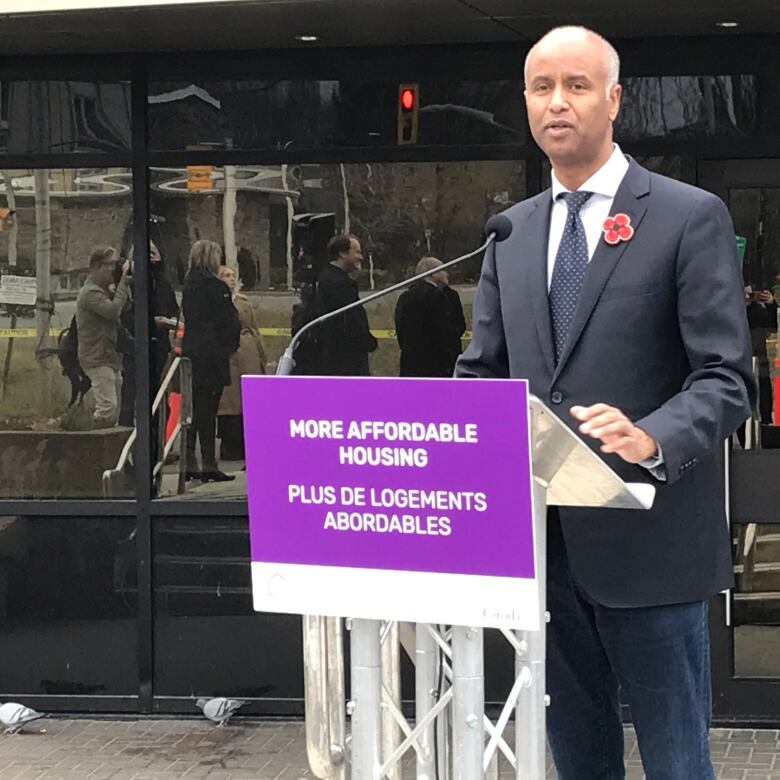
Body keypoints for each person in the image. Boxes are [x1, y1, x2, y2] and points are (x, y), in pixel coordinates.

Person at [455, 26, 754, 779]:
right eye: (541, 87)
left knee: (677, 762)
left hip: (653, 556)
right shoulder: (509, 234)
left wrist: (650, 437)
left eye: (577, 85)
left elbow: (727, 377)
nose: (557, 102)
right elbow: (481, 376)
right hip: (543, 556)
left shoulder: (687, 216)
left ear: (614, 99)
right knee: (579, 762)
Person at [181, 240, 241, 483]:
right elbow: (229, 321)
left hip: (193, 352)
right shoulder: (217, 288)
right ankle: (208, 463)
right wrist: (230, 346)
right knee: (208, 412)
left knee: (193, 412)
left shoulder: (189, 285)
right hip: (213, 355)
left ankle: (189, 461)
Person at [75, 246, 132, 427]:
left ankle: (110, 447)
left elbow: (126, 307)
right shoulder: (90, 292)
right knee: (108, 406)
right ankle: (93, 442)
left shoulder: (105, 289)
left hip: (109, 355)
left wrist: (121, 287)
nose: (115, 269)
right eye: (111, 265)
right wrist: (123, 283)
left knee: (115, 408)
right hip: (96, 356)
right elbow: (113, 311)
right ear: (98, 266)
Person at [216, 264, 266, 460]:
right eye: (226, 275)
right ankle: (229, 444)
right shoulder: (215, 302)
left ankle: (247, 443)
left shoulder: (245, 302)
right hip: (227, 354)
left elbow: (254, 328)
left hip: (247, 352)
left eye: (232, 275)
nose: (230, 278)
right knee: (229, 401)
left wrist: (261, 354)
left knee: (246, 399)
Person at [314, 234, 377, 375]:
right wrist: (368, 341)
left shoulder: (330, 278)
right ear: (342, 253)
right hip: (344, 362)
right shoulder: (337, 283)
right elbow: (350, 320)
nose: (361, 258)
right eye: (357, 252)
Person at [394, 256, 461, 377]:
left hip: (411, 366)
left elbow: (400, 331)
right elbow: (447, 333)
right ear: (433, 273)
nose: (447, 274)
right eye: (444, 269)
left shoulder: (404, 297)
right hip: (437, 367)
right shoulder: (437, 296)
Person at [744, 284, 777, 423]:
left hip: (763, 359)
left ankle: (766, 421)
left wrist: (771, 303)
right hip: (745, 359)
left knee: (764, 390)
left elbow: (774, 324)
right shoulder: (738, 309)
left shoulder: (763, 310)